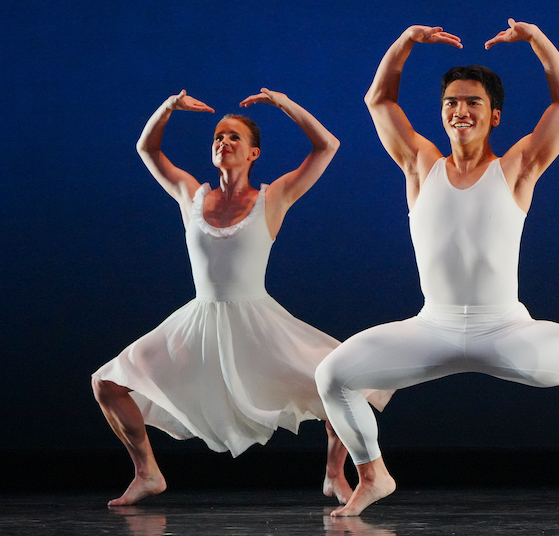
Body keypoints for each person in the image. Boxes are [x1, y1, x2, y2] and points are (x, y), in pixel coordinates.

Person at [315, 20, 559, 517]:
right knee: (332, 374)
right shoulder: (420, 164)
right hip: (431, 328)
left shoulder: (517, 167)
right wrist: (406, 42)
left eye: (472, 103)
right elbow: (379, 101)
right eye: (451, 103)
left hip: (504, 327)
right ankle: (372, 475)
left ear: (495, 116)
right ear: (441, 115)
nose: (460, 110)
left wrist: (537, 40)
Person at [92, 88, 390, 506]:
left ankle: (334, 474)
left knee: (344, 382)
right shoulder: (191, 195)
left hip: (257, 321)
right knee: (106, 384)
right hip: (197, 321)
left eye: (233, 137)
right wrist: (168, 108)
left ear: (254, 153)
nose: (223, 142)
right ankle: (147, 473)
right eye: (218, 136)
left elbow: (327, 146)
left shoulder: (274, 197)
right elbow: (147, 147)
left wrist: (284, 104)